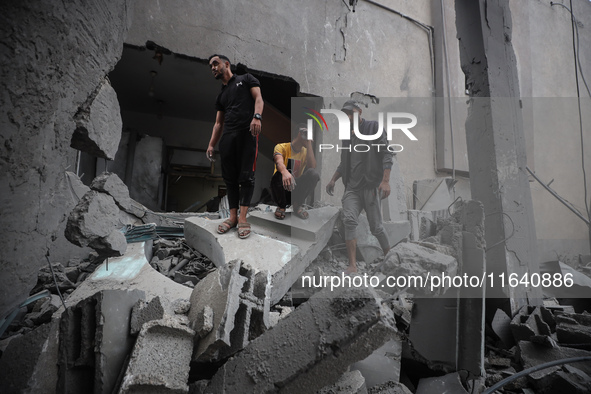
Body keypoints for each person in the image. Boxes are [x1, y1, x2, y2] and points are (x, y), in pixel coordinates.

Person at [326, 100, 392, 274]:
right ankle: (352, 265)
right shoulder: (347, 136)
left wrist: (385, 181)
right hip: (353, 188)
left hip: (370, 186)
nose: (348, 116)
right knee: (349, 220)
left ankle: (390, 258)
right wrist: (333, 179)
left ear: (360, 112)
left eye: (351, 113)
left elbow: (386, 153)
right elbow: (343, 163)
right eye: (345, 114)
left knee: (376, 227)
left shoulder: (373, 128)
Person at [206, 54, 264, 239]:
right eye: (211, 66)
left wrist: (257, 117)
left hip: (248, 134)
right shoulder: (221, 95)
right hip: (228, 139)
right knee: (229, 179)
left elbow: (259, 99)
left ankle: (243, 217)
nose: (213, 68)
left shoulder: (246, 79)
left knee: (246, 177)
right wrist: (211, 144)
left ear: (226, 64)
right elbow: (218, 124)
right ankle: (232, 217)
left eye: (215, 64)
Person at [271, 123, 320, 220]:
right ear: (299, 133)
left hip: (295, 188)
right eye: (306, 133)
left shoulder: (305, 152)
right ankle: (281, 206)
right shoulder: (281, 147)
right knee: (278, 174)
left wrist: (309, 143)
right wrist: (284, 172)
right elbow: (279, 162)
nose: (307, 136)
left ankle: (297, 205)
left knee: (313, 174)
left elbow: (312, 167)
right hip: (281, 187)